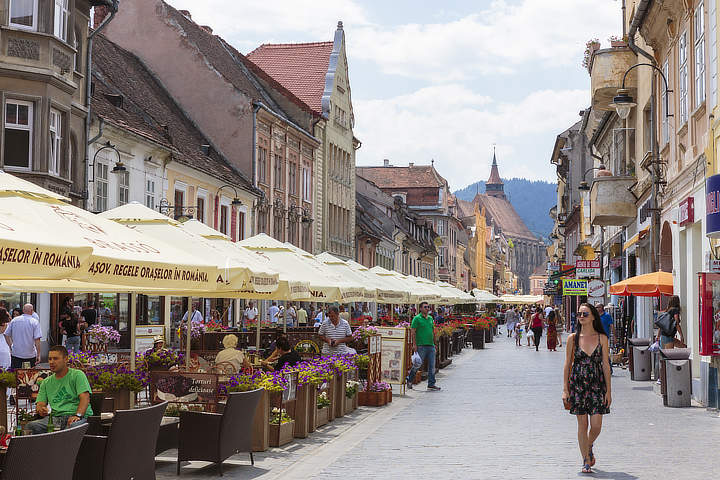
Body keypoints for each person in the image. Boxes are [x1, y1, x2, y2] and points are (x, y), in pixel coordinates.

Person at [562, 303, 611, 474]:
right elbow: (567, 365)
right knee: (582, 424)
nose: (581, 316)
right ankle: (585, 460)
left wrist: (609, 391)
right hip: (578, 385)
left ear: (593, 317)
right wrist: (565, 389)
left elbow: (606, 365)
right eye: (579, 314)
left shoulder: (602, 338)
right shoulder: (572, 339)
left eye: (585, 313)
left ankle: (589, 445)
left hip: (597, 385)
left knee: (596, 425)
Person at [26, 345, 93, 434]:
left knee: (72, 427)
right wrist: (41, 409)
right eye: (50, 359)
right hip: (56, 419)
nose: (51, 362)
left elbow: (85, 398)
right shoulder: (46, 382)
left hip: (78, 416)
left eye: (55, 359)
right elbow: (40, 404)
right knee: (31, 427)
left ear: (65, 359)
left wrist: (78, 415)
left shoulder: (77, 375)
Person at [405, 302, 440, 391]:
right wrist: (414, 344)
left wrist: (435, 343)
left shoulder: (430, 318)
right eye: (425, 307)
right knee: (417, 365)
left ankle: (431, 384)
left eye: (428, 307)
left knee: (432, 366)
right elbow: (413, 332)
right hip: (421, 345)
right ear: (420, 309)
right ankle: (409, 380)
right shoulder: (417, 319)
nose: (427, 308)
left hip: (430, 345)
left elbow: (432, 331)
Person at [4, 303, 42, 368]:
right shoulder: (34, 322)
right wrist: (38, 354)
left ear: (23, 310)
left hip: (16, 353)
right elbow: (37, 340)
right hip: (30, 354)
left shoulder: (14, 320)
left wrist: (11, 346)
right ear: (32, 311)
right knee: (29, 375)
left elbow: (6, 334)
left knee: (16, 374)